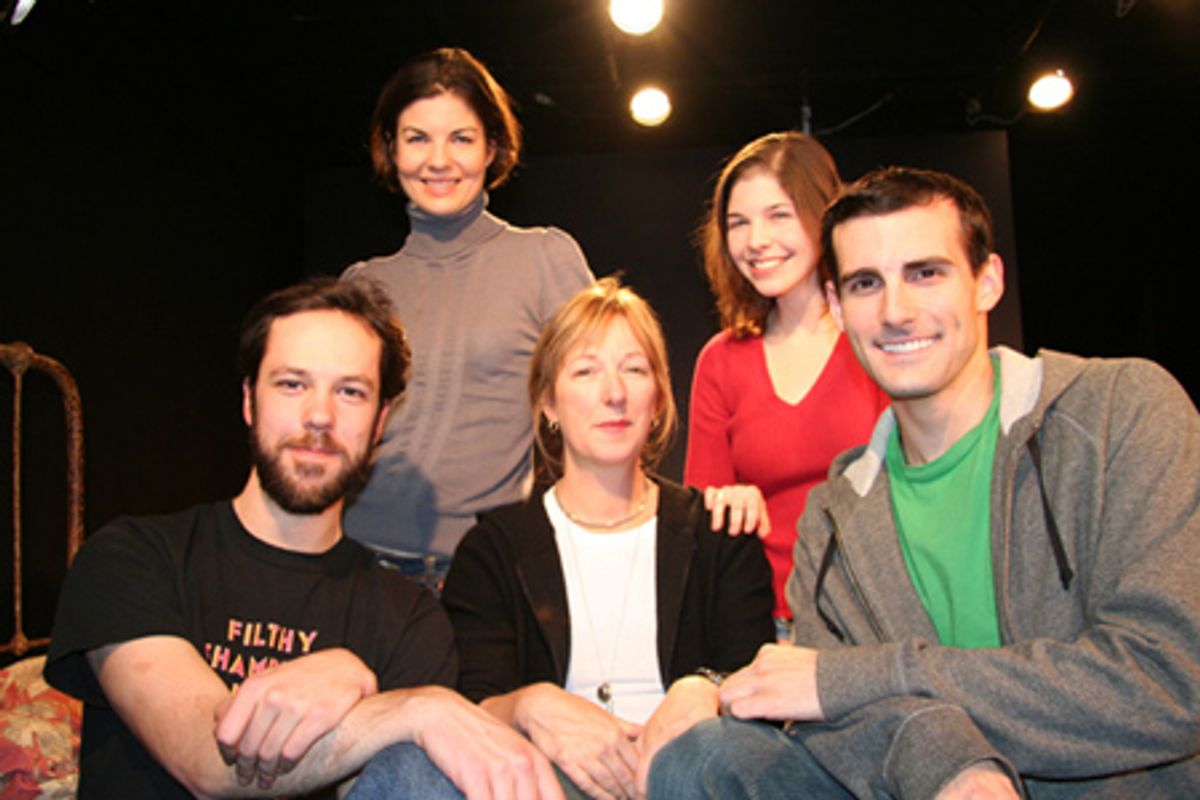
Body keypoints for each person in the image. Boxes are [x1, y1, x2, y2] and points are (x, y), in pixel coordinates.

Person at [649, 167, 1200, 798]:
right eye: (865, 284)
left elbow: (1169, 682)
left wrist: (861, 676)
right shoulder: (835, 511)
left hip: (1111, 783)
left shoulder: (1118, 412)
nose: (895, 312)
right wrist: (956, 764)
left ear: (987, 281)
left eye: (925, 273)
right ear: (836, 306)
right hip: (928, 785)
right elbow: (844, 722)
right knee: (705, 756)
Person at [44, 278, 563, 800]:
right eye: (293, 384)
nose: (320, 416)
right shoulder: (134, 558)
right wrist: (407, 707)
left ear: (381, 421)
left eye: (350, 392)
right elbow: (204, 761)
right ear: (250, 401)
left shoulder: (409, 619)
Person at [354, 278, 774, 799]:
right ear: (548, 402)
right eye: (585, 371)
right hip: (544, 784)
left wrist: (703, 689)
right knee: (411, 768)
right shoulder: (495, 550)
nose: (613, 393)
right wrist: (531, 703)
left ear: (659, 399)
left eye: (634, 369)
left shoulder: (718, 533)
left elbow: (758, 688)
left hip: (686, 779)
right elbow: (472, 703)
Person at [342, 47, 594, 587]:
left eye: (461, 138)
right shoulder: (361, 286)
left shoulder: (544, 259)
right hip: (356, 563)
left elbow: (600, 409)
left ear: (492, 148)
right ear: (389, 148)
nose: (439, 160)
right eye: (417, 138)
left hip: (482, 572)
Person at [685, 132, 887, 634]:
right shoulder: (721, 360)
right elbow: (699, 515)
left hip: (876, 622)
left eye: (779, 215)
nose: (755, 241)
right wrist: (723, 504)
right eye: (738, 223)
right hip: (764, 624)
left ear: (825, 215)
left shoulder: (880, 337)